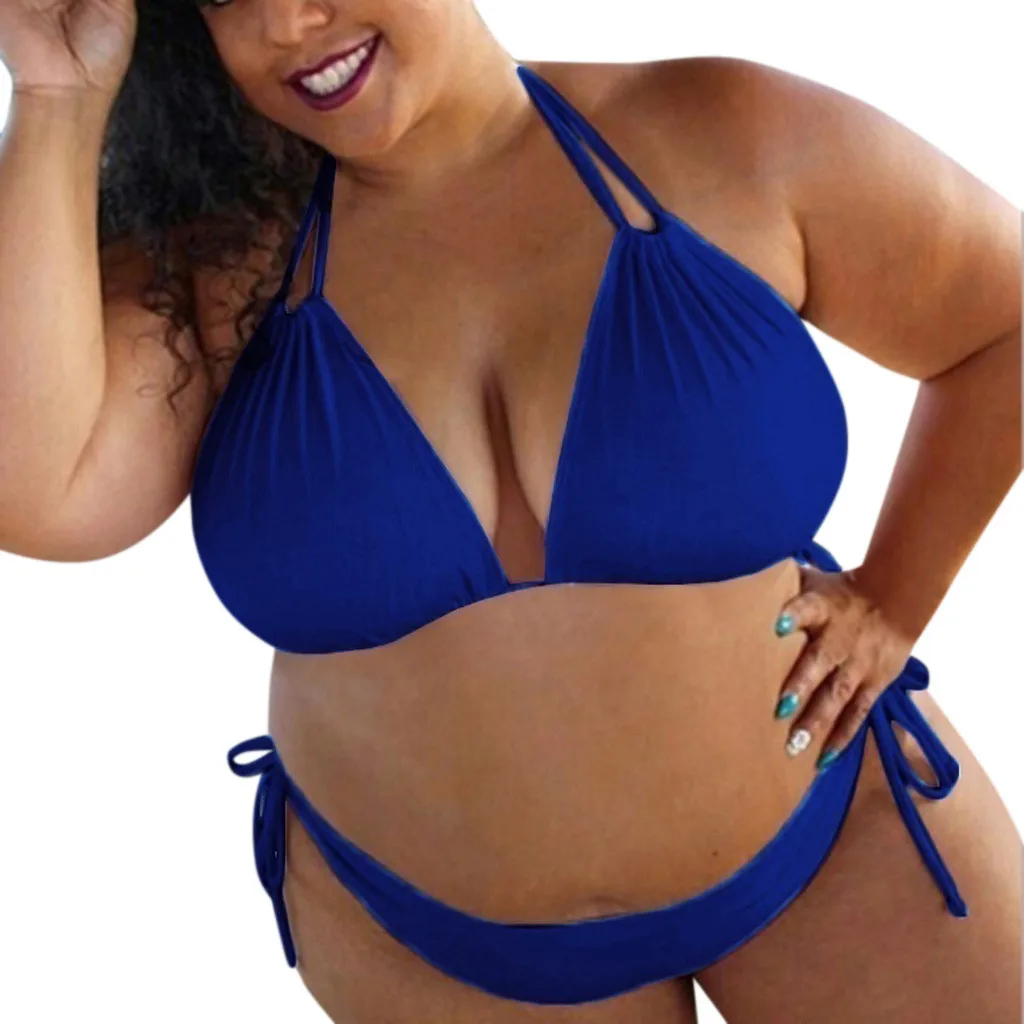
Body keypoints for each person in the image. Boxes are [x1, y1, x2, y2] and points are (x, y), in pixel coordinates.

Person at [0, 0, 1020, 1021]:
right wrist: (56, 94)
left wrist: (894, 600)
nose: (287, 22)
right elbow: (39, 493)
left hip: (835, 845)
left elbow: (1004, 323)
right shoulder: (223, 268)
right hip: (433, 946)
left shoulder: (720, 138)